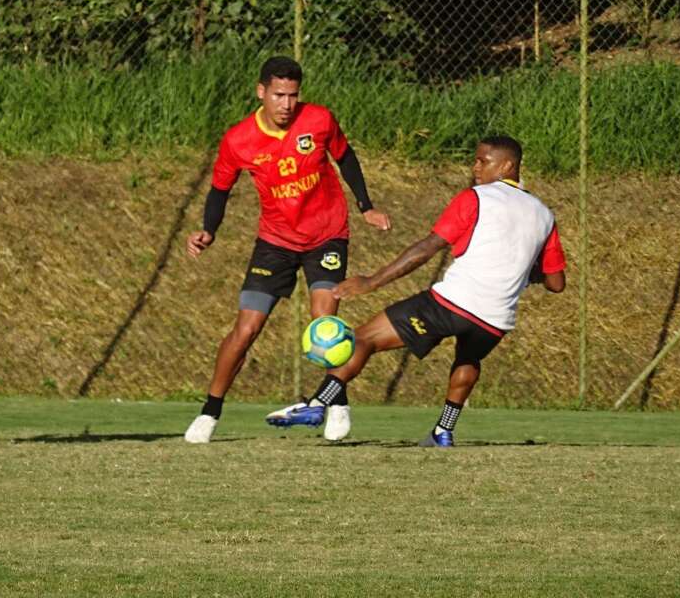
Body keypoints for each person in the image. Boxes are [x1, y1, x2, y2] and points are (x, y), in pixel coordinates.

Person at [266, 135, 566, 446]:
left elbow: (426, 248)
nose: (475, 167)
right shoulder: (544, 214)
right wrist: (522, 271)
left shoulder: (476, 197)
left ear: (507, 165)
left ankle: (317, 406)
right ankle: (443, 432)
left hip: (451, 304)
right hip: (496, 319)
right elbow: (556, 283)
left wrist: (371, 281)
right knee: (467, 361)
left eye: (483, 161)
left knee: (364, 339)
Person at [183, 55, 392, 444]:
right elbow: (220, 190)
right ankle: (210, 411)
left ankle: (337, 402)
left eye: (293, 95)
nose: (286, 105)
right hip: (275, 242)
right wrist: (208, 230)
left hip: (328, 234)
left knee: (324, 322)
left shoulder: (319, 120)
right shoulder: (238, 140)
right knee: (246, 328)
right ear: (261, 92)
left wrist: (366, 205)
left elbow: (346, 158)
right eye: (278, 95)